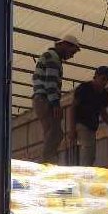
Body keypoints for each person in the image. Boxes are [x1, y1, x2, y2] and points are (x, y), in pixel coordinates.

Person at [33, 35, 81, 164]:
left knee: (51, 132)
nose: (71, 56)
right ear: (65, 45)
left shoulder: (49, 56)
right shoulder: (53, 58)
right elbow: (51, 83)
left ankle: (48, 160)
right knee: (56, 133)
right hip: (46, 100)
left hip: (41, 99)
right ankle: (47, 161)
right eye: (72, 52)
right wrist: (55, 104)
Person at [69, 66, 108, 166]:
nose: (104, 82)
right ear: (96, 76)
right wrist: (72, 129)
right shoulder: (84, 88)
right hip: (82, 124)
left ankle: (85, 169)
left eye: (106, 80)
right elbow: (73, 108)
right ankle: (85, 171)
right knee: (88, 153)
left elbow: (103, 113)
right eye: (103, 79)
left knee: (90, 154)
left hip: (91, 127)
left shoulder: (104, 94)